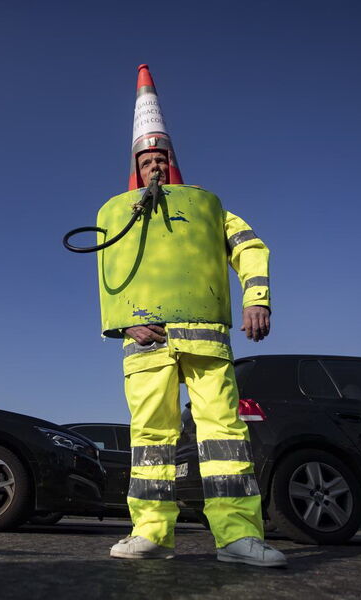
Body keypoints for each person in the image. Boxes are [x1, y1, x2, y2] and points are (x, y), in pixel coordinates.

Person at [99, 65, 286, 567]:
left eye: (161, 157)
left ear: (173, 162)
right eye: (146, 159)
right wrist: (121, 324)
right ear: (135, 166)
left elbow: (249, 246)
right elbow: (110, 273)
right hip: (144, 345)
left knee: (223, 433)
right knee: (150, 441)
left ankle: (237, 538)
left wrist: (257, 298)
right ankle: (152, 533)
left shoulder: (210, 212)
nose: (154, 166)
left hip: (205, 339)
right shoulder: (120, 215)